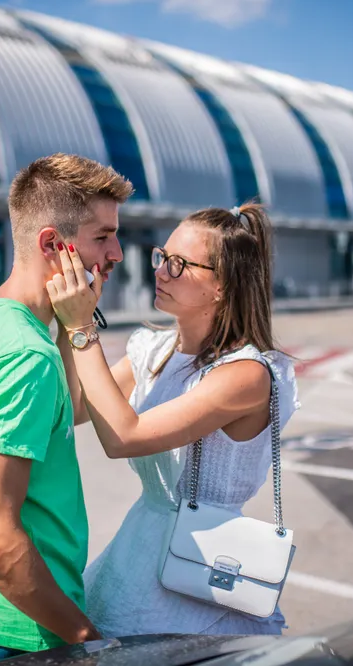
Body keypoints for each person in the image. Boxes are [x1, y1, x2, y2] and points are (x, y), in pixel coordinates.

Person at [45, 202, 299, 638]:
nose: (160, 271)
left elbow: (124, 436)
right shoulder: (153, 349)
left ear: (223, 286)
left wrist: (82, 326)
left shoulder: (246, 375)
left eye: (179, 264)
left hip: (200, 571)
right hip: (139, 547)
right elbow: (79, 406)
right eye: (161, 256)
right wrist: (71, 327)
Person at [0, 153, 132, 664]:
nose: (117, 253)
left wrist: (75, 322)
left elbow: (75, 404)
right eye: (103, 236)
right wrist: (84, 636)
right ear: (52, 244)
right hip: (22, 628)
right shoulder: (24, 358)